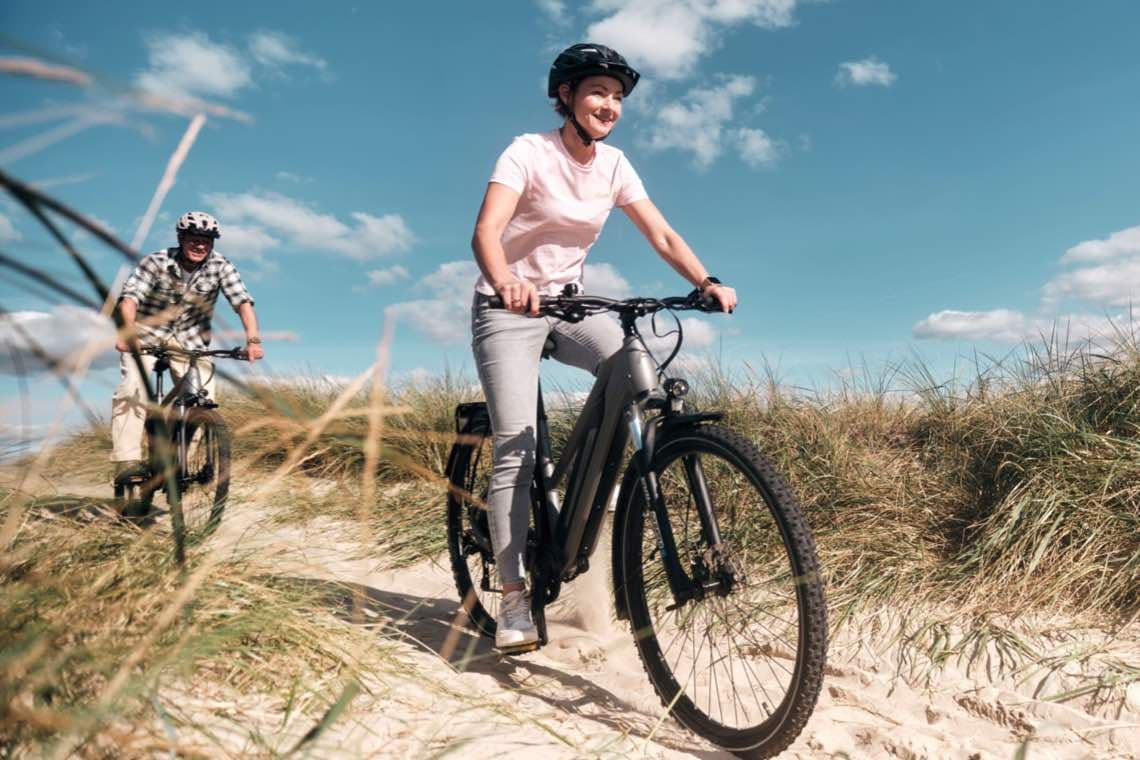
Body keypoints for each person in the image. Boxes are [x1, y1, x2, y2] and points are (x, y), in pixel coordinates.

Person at [470, 43, 738, 652]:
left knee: (631, 368)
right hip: (507, 305)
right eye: (598, 92)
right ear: (566, 96)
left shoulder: (614, 164)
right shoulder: (527, 151)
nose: (609, 105)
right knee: (516, 447)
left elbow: (660, 233)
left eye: (617, 97)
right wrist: (506, 280)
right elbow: (486, 231)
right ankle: (513, 596)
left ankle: (601, 480)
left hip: (569, 306)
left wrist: (705, 281)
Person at [111, 211, 264, 482]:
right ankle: (127, 461)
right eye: (194, 239)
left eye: (206, 241)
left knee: (202, 399)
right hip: (146, 334)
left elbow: (242, 302)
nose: (200, 246)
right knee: (132, 388)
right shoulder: (156, 262)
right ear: (181, 239)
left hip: (191, 340)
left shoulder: (221, 266)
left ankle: (181, 465)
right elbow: (130, 298)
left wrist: (252, 341)